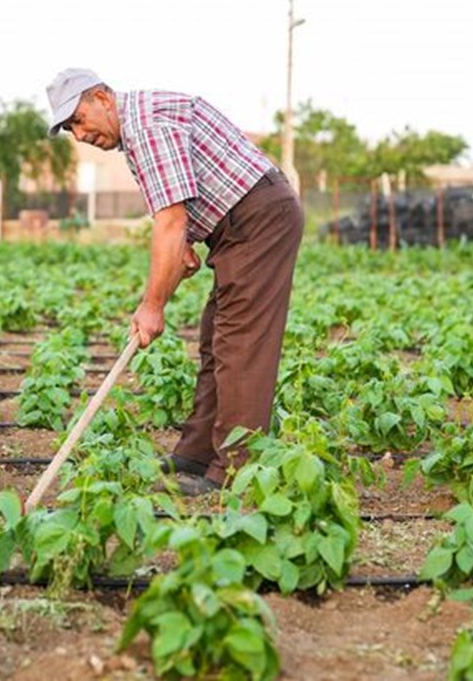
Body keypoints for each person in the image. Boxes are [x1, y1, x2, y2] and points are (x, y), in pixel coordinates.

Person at [45, 68, 305, 495]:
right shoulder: (138, 131)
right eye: (70, 128)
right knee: (216, 339)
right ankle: (196, 455)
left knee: (240, 346)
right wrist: (180, 248)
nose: (79, 134)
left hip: (258, 219)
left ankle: (236, 473)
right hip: (238, 221)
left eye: (78, 119)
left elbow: (170, 222)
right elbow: (177, 224)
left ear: (102, 98)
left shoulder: (146, 128)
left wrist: (152, 306)